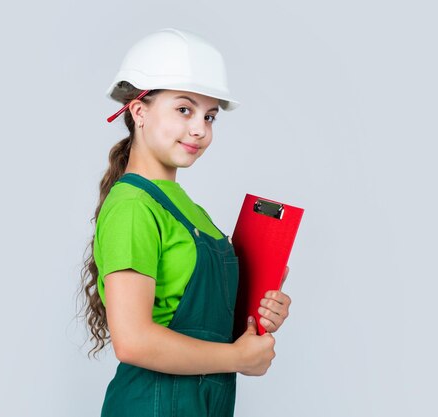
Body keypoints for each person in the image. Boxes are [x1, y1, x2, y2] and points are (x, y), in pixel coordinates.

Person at [78, 28, 292, 417]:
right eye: (184, 110)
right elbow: (134, 341)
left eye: (209, 116)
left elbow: (212, 331)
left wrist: (257, 319)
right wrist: (236, 358)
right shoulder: (132, 206)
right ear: (138, 111)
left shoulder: (195, 214)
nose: (200, 129)